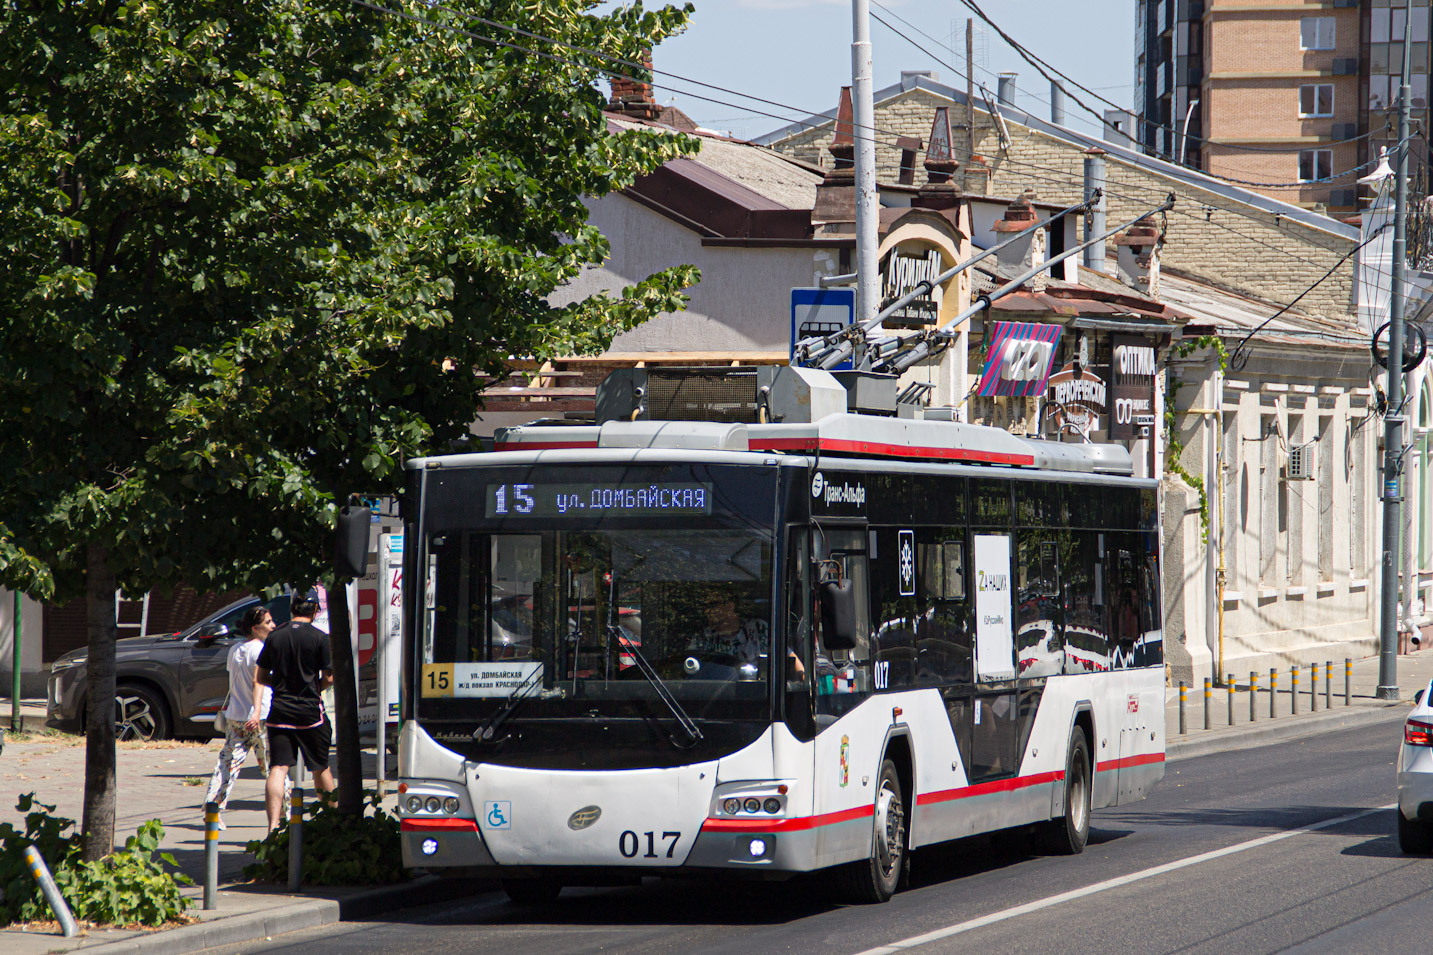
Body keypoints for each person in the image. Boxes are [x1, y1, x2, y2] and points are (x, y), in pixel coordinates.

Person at [256, 594, 336, 833]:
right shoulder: (320, 638)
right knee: (320, 767)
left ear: (292, 609)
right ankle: (333, 823)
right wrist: (314, 687)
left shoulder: (275, 636)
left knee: (278, 768)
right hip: (310, 714)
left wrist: (282, 686)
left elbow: (261, 676)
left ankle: (272, 828)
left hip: (280, 712)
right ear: (315, 610)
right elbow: (329, 677)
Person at [202, 605, 275, 829]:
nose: (273, 626)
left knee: (227, 764)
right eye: (268, 623)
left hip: (235, 716)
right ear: (255, 628)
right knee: (274, 768)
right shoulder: (261, 650)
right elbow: (258, 681)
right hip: (259, 716)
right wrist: (256, 710)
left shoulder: (235, 649)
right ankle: (286, 813)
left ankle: (212, 810)